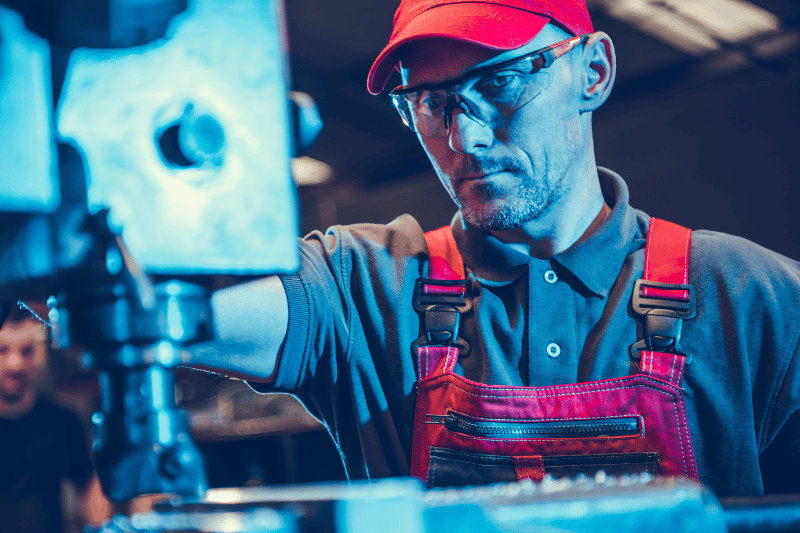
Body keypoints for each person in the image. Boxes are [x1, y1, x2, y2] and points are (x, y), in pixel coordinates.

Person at [190, 0, 800, 497]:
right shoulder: (364, 288)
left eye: (501, 81)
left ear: (592, 71)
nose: (465, 137)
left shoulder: (752, 299)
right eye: (431, 101)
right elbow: (171, 308)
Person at [0, 304, 112, 533]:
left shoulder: (60, 422)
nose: (15, 364)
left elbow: (90, 494)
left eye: (27, 351)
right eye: (2, 350)